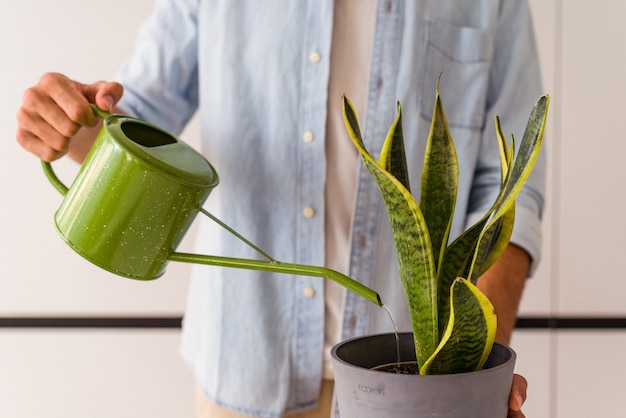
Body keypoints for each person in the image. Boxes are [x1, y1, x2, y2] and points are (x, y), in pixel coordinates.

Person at [16, 1, 543, 417]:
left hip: (416, 390)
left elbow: (512, 194)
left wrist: (473, 373)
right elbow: (137, 127)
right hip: (245, 379)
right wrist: (69, 121)